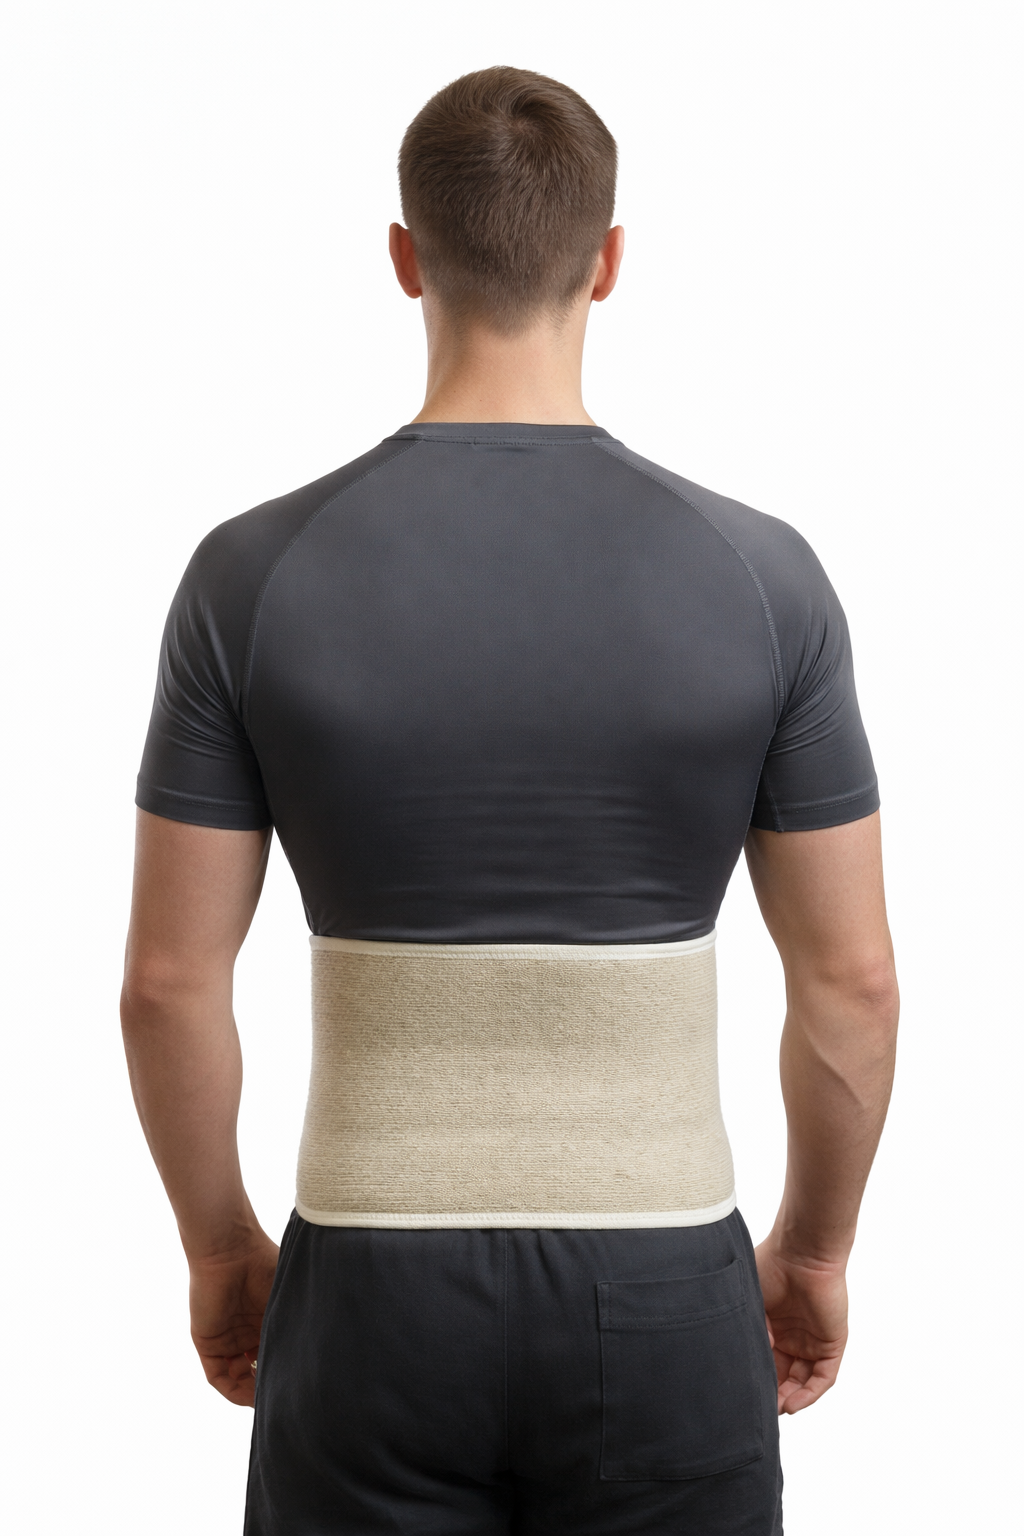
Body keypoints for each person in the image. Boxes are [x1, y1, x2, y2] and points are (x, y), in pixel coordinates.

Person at [121, 66, 898, 1536]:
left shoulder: (249, 576)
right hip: (666, 1289)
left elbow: (167, 984)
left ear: (404, 257)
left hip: (368, 1295)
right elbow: (852, 983)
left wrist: (220, 1252)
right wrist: (813, 1252)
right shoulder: (763, 578)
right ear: (609, 262)